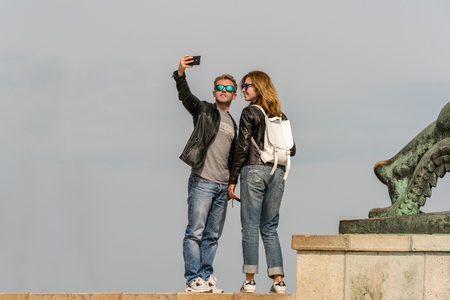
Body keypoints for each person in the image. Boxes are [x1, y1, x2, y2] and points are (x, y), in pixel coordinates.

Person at [173, 55, 238, 293]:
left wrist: (232, 184)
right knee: (195, 232)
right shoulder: (203, 110)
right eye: (219, 87)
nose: (223, 90)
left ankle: (207, 276)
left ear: (235, 95)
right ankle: (193, 279)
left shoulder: (233, 121)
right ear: (214, 92)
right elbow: (185, 97)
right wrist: (180, 72)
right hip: (202, 180)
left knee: (212, 236)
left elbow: (234, 158)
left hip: (222, 186)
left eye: (228, 88)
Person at [228, 70, 296, 294]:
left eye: (246, 86)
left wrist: (232, 179)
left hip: (254, 170)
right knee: (270, 227)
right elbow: (292, 149)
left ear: (258, 87)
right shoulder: (281, 115)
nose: (243, 90)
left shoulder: (250, 112)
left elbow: (242, 147)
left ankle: (249, 281)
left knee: (249, 226)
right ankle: (278, 282)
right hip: (278, 172)